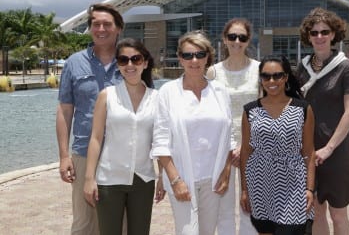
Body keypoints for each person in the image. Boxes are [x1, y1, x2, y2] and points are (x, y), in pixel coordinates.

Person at [151, 30, 236, 235]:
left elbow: (229, 138)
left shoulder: (220, 92)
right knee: (187, 231)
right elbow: (160, 140)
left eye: (199, 54)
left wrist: (225, 174)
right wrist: (175, 180)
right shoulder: (168, 92)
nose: (194, 60)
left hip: (213, 178)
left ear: (208, 57)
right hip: (182, 177)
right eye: (188, 55)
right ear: (180, 58)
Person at [83, 38, 165, 234]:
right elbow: (96, 138)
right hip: (109, 179)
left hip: (143, 180)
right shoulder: (107, 95)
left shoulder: (157, 98)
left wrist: (162, 176)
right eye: (123, 60)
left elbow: (160, 140)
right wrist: (89, 178)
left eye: (136, 59)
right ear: (117, 64)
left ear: (145, 63)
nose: (130, 65)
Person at [56, 3, 124, 235]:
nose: (101, 29)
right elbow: (65, 111)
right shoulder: (74, 63)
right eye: (96, 24)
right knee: (84, 224)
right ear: (90, 28)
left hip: (122, 155)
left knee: (120, 223)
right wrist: (64, 156)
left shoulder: (131, 62)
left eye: (107, 24)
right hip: (84, 153)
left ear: (118, 29)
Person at [297, 7, 349, 235]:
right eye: (314, 33)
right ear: (308, 36)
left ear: (334, 34)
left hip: (336, 152)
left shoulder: (346, 68)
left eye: (325, 31)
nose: (320, 37)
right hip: (308, 151)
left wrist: (328, 148)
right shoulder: (303, 68)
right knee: (315, 210)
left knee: (338, 213)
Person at [240, 55, 315, 235]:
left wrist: (310, 188)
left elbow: (309, 152)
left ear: (286, 77)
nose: (271, 81)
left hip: (294, 184)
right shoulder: (250, 110)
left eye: (277, 75)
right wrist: (244, 190)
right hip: (259, 183)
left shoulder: (302, 109)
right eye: (266, 76)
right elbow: (246, 152)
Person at [206, 18, 260, 235]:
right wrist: (230, 148)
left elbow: (264, 109)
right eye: (232, 37)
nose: (237, 41)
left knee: (251, 206)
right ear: (224, 40)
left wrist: (246, 145)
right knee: (224, 209)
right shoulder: (212, 72)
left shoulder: (260, 69)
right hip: (222, 148)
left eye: (242, 37)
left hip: (254, 145)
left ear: (248, 41)